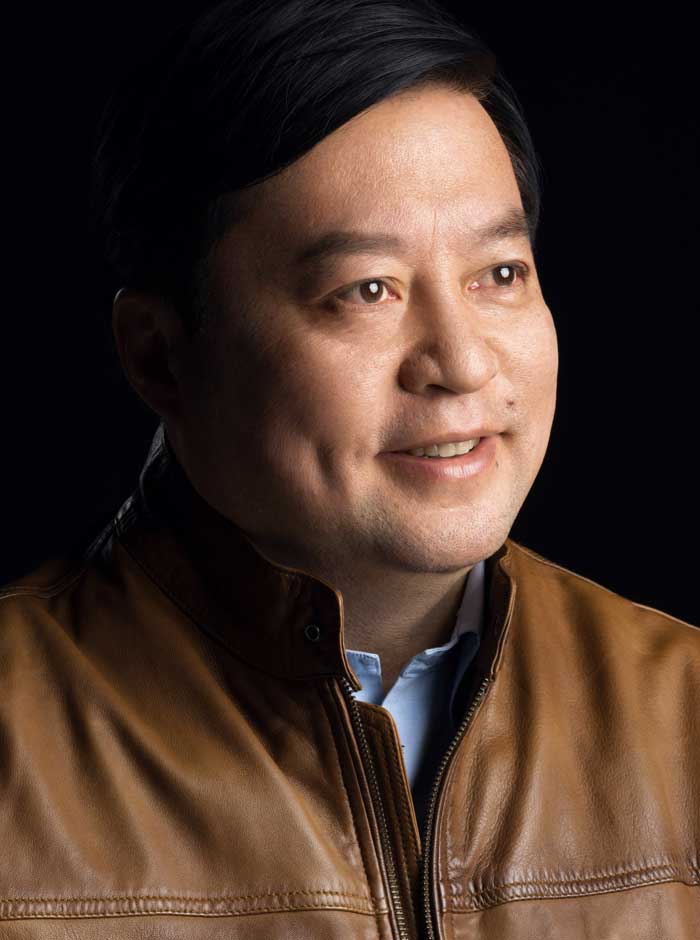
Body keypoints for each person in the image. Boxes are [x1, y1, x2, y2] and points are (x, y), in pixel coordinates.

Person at [1, 0, 697, 937]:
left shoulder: (684, 714)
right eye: (367, 290)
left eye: (500, 274)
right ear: (161, 356)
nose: (461, 363)